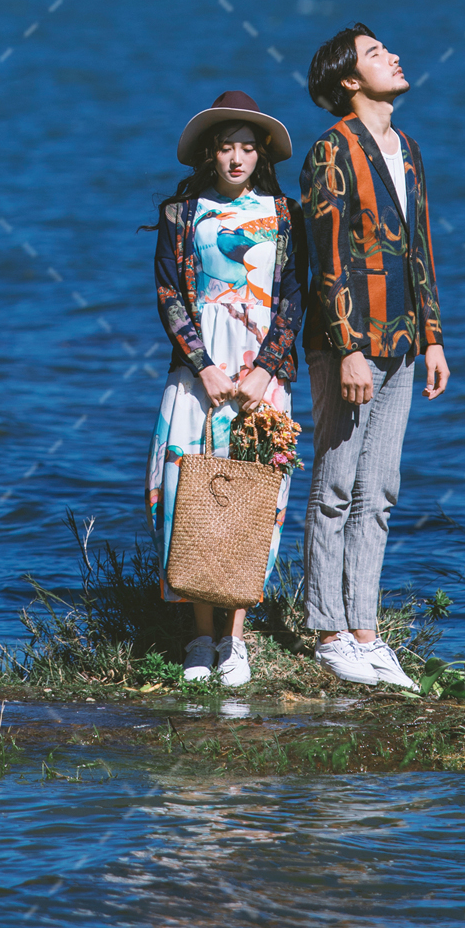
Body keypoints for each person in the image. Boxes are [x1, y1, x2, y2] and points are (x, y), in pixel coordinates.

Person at [299, 24, 450, 689]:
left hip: (404, 339)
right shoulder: (331, 151)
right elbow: (327, 261)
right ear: (351, 82)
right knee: (335, 484)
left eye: (389, 46)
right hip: (349, 347)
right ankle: (327, 629)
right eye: (375, 52)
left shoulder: (408, 149)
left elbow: (419, 248)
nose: (393, 53)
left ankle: (367, 631)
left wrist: (435, 336)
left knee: (380, 489)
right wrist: (348, 350)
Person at [146, 88, 306, 689]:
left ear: (260, 154)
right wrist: (206, 366)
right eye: (224, 148)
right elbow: (168, 295)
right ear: (208, 155)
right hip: (197, 372)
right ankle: (198, 635)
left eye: (245, 148)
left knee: (254, 498)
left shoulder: (285, 215)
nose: (235, 158)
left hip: (261, 373)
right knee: (185, 494)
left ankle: (235, 643)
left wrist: (264, 370)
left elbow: (294, 297)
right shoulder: (180, 215)